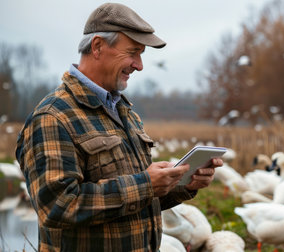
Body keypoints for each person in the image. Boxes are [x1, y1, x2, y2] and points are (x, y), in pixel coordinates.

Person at [15, 3, 222, 251]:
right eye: (133, 52)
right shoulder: (52, 117)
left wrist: (182, 185)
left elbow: (134, 203)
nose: (140, 65)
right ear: (98, 47)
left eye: (141, 55)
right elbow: (58, 206)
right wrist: (145, 184)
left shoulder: (126, 112)